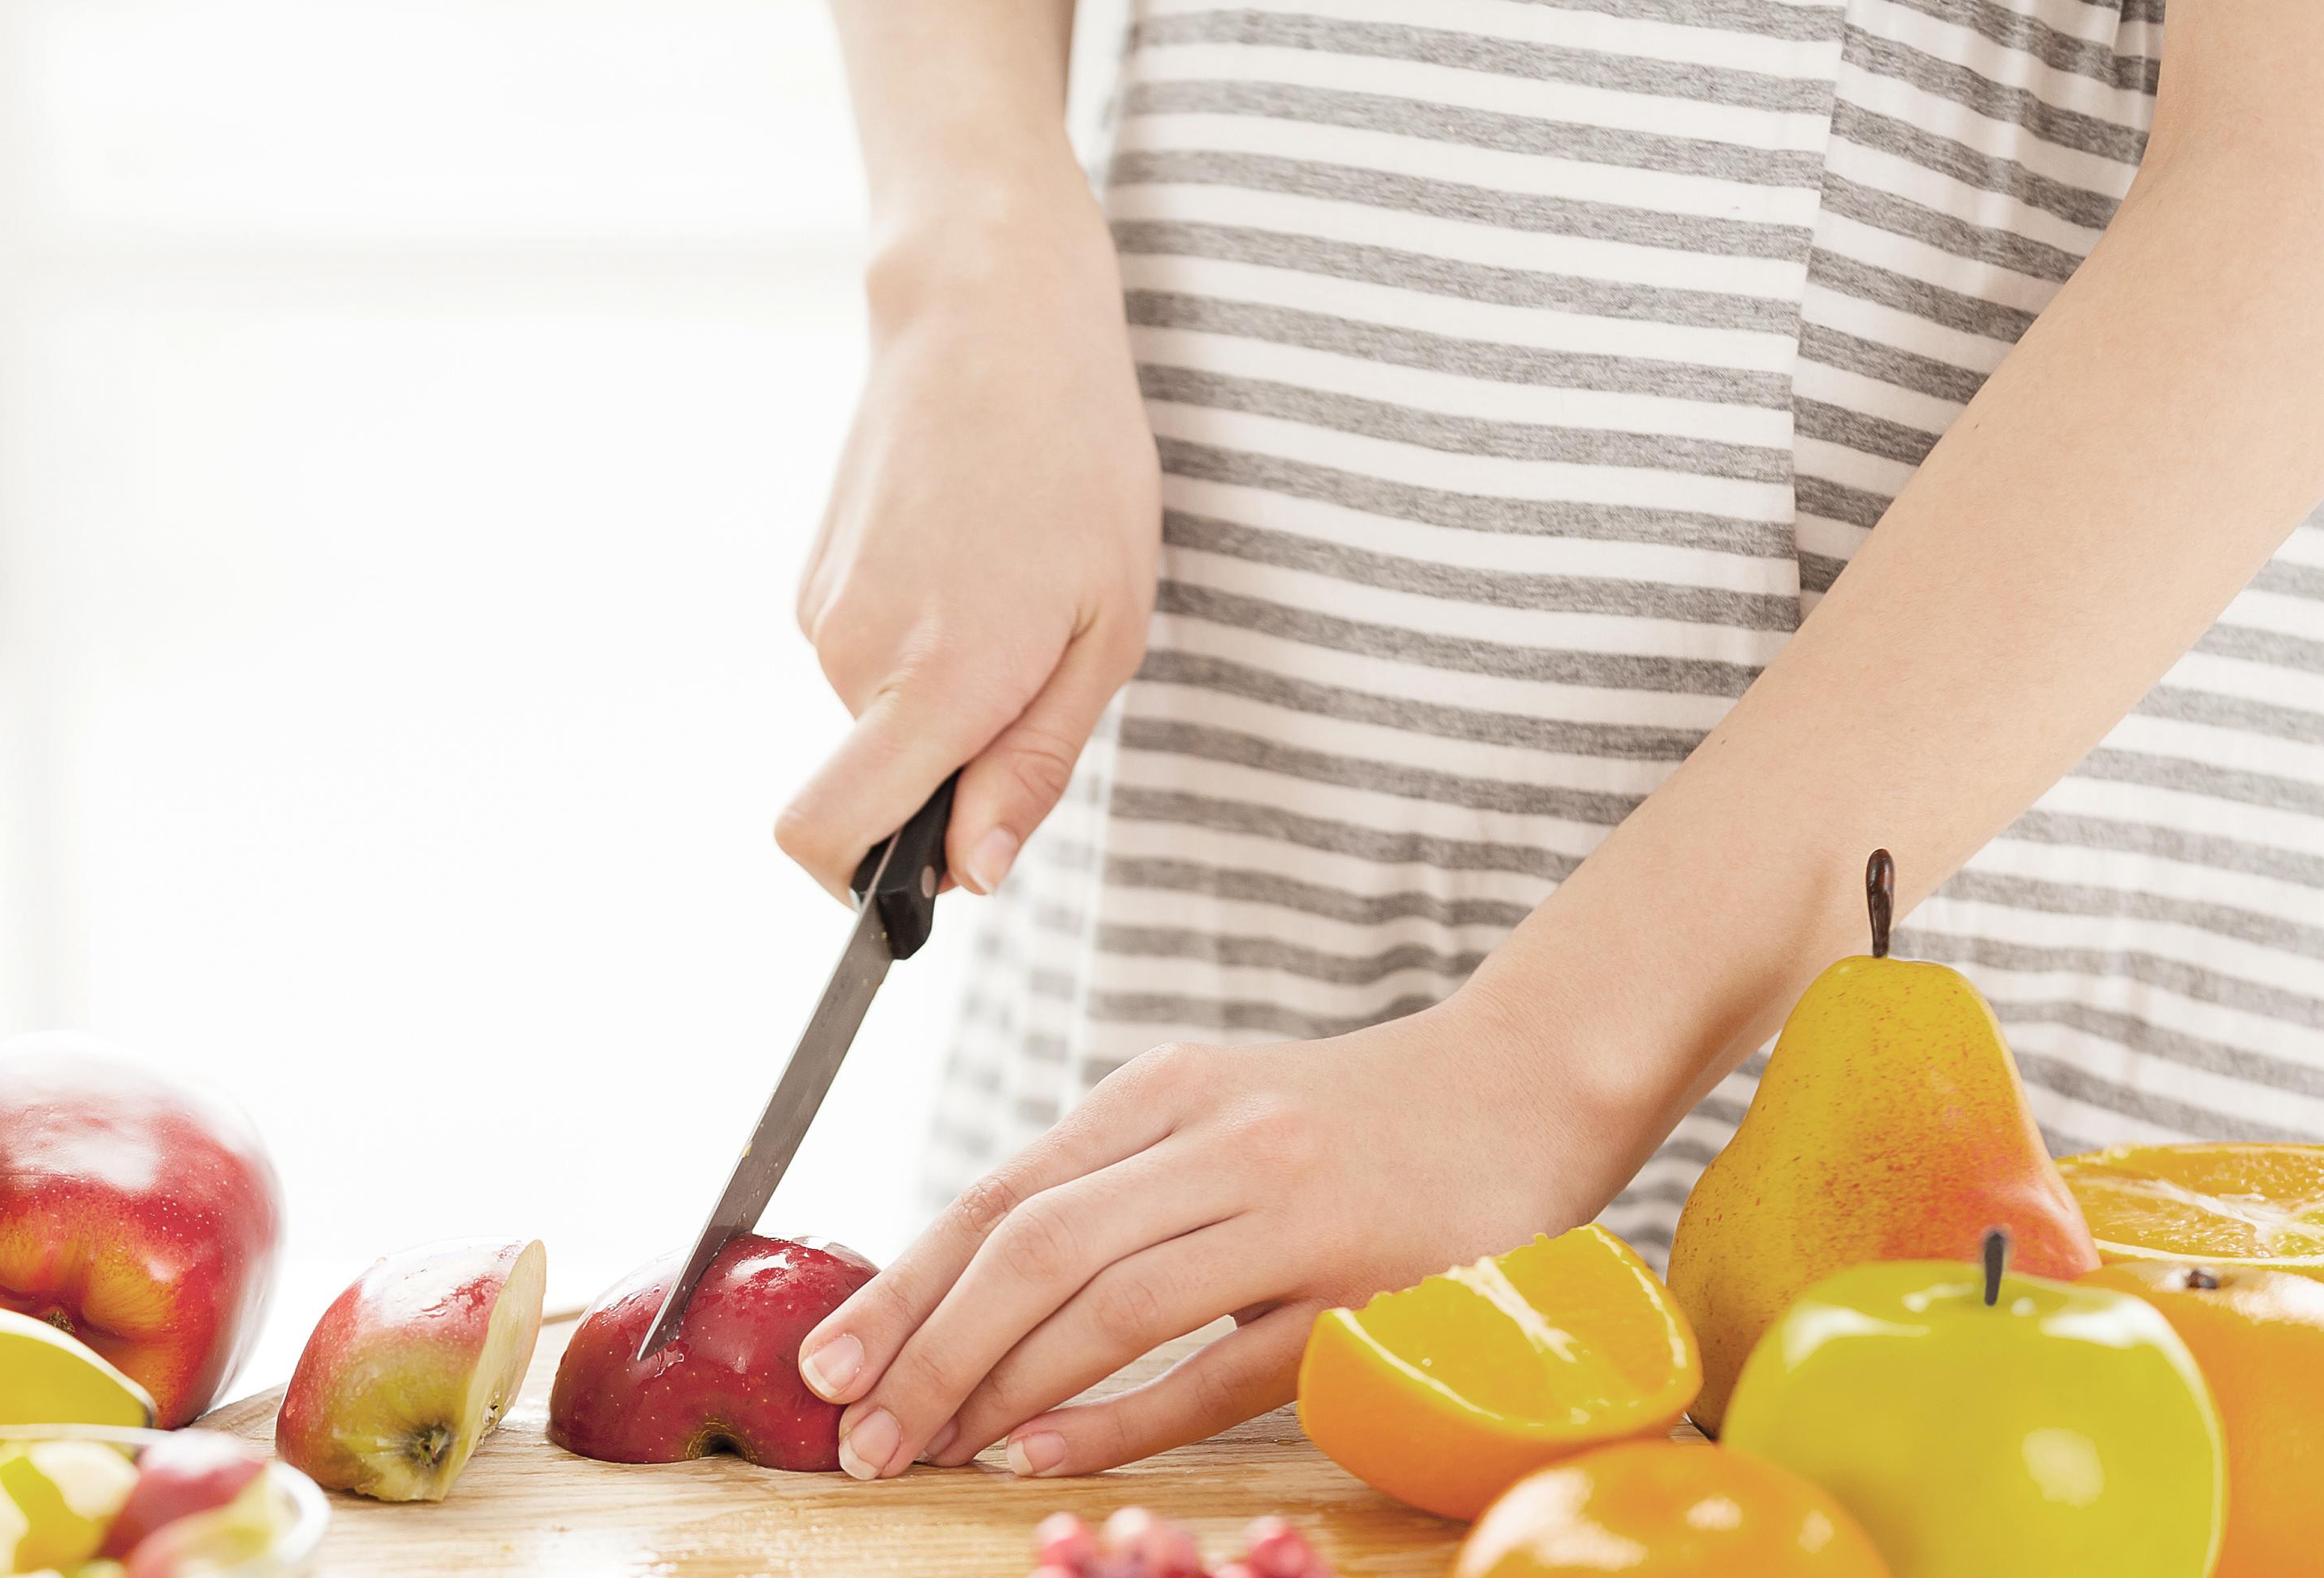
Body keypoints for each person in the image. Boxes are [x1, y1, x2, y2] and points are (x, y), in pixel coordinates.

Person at [781, 0, 2324, 1484]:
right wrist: (971, 248)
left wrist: (1537, 1072)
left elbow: (2289, 178)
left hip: (1922, 965)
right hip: (1226, 819)